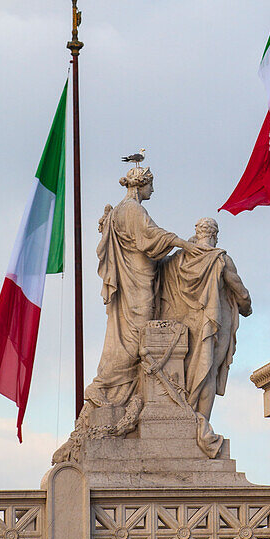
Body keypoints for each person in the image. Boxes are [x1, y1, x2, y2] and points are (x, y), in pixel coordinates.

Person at [85, 166, 197, 409]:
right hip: (136, 283)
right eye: (150, 185)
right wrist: (182, 244)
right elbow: (150, 237)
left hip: (138, 278)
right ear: (139, 185)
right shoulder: (132, 209)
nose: (153, 190)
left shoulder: (120, 210)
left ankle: (122, 388)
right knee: (135, 338)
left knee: (128, 337)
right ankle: (102, 384)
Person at [157, 217, 251, 421]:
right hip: (212, 324)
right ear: (215, 236)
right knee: (207, 372)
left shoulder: (178, 259)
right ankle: (201, 421)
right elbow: (241, 293)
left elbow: (158, 272)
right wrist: (247, 308)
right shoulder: (220, 259)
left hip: (184, 324)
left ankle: (185, 415)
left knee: (185, 371)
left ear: (197, 233)